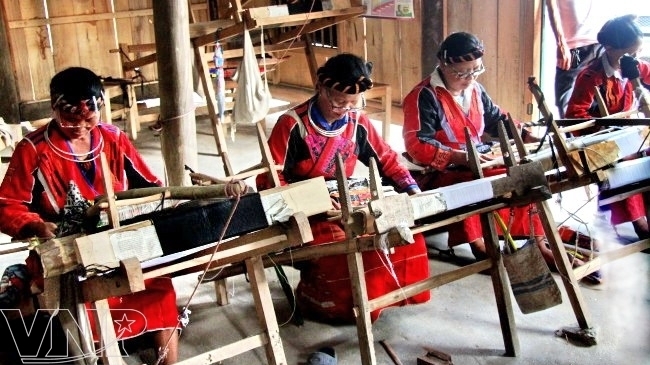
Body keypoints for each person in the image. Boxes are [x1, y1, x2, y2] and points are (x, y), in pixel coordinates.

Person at [0, 67, 179, 364]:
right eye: (71, 118)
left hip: (120, 244)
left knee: (159, 284)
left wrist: (156, 204)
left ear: (101, 106)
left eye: (90, 117)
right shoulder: (33, 149)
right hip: (65, 252)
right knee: (83, 297)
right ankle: (96, 351)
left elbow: (149, 187)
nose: (81, 126)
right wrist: (34, 224)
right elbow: (6, 204)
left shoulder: (113, 138)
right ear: (54, 108)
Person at [255, 53, 430, 323]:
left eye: (352, 104)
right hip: (304, 210)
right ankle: (322, 300)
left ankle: (375, 299)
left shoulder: (357, 121)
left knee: (400, 229)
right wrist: (314, 201)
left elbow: (386, 158)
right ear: (321, 88)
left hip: (345, 199)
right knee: (341, 247)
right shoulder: (292, 125)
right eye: (338, 102)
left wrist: (412, 191)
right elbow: (271, 179)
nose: (345, 110)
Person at [401, 31, 569, 269]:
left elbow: (497, 120)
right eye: (462, 73)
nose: (470, 78)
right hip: (439, 172)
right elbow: (417, 144)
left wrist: (523, 134)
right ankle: (480, 244)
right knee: (476, 185)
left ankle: (537, 239)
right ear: (443, 64)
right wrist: (459, 156)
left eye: (476, 70)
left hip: (477, 161)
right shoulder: (423, 96)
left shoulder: (476, 91)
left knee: (524, 175)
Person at [565, 14, 650, 240]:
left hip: (633, 134)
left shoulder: (635, 66)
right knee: (623, 164)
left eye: (638, 52)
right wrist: (603, 132)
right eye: (630, 53)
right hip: (603, 140)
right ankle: (638, 222)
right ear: (610, 48)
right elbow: (574, 115)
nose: (635, 57)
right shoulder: (591, 76)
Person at [545, 0, 609, 118]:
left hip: (600, 42)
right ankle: (571, 136)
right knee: (567, 103)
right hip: (575, 45)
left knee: (599, 100)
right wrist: (560, 43)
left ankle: (598, 135)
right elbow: (551, 3)